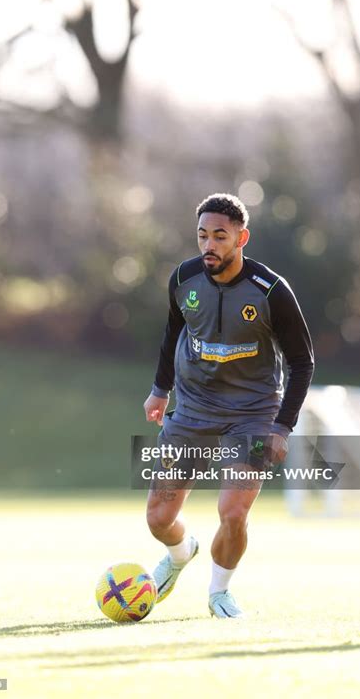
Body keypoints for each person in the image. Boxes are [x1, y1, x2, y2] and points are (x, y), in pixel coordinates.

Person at [143, 193, 314, 618]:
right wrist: (160, 389)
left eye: (220, 236)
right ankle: (182, 553)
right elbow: (171, 333)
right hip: (193, 408)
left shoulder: (270, 290)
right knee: (158, 518)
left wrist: (281, 426)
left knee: (232, 511)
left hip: (254, 414)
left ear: (242, 238)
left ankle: (219, 592)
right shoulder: (183, 279)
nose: (209, 245)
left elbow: (302, 361)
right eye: (203, 235)